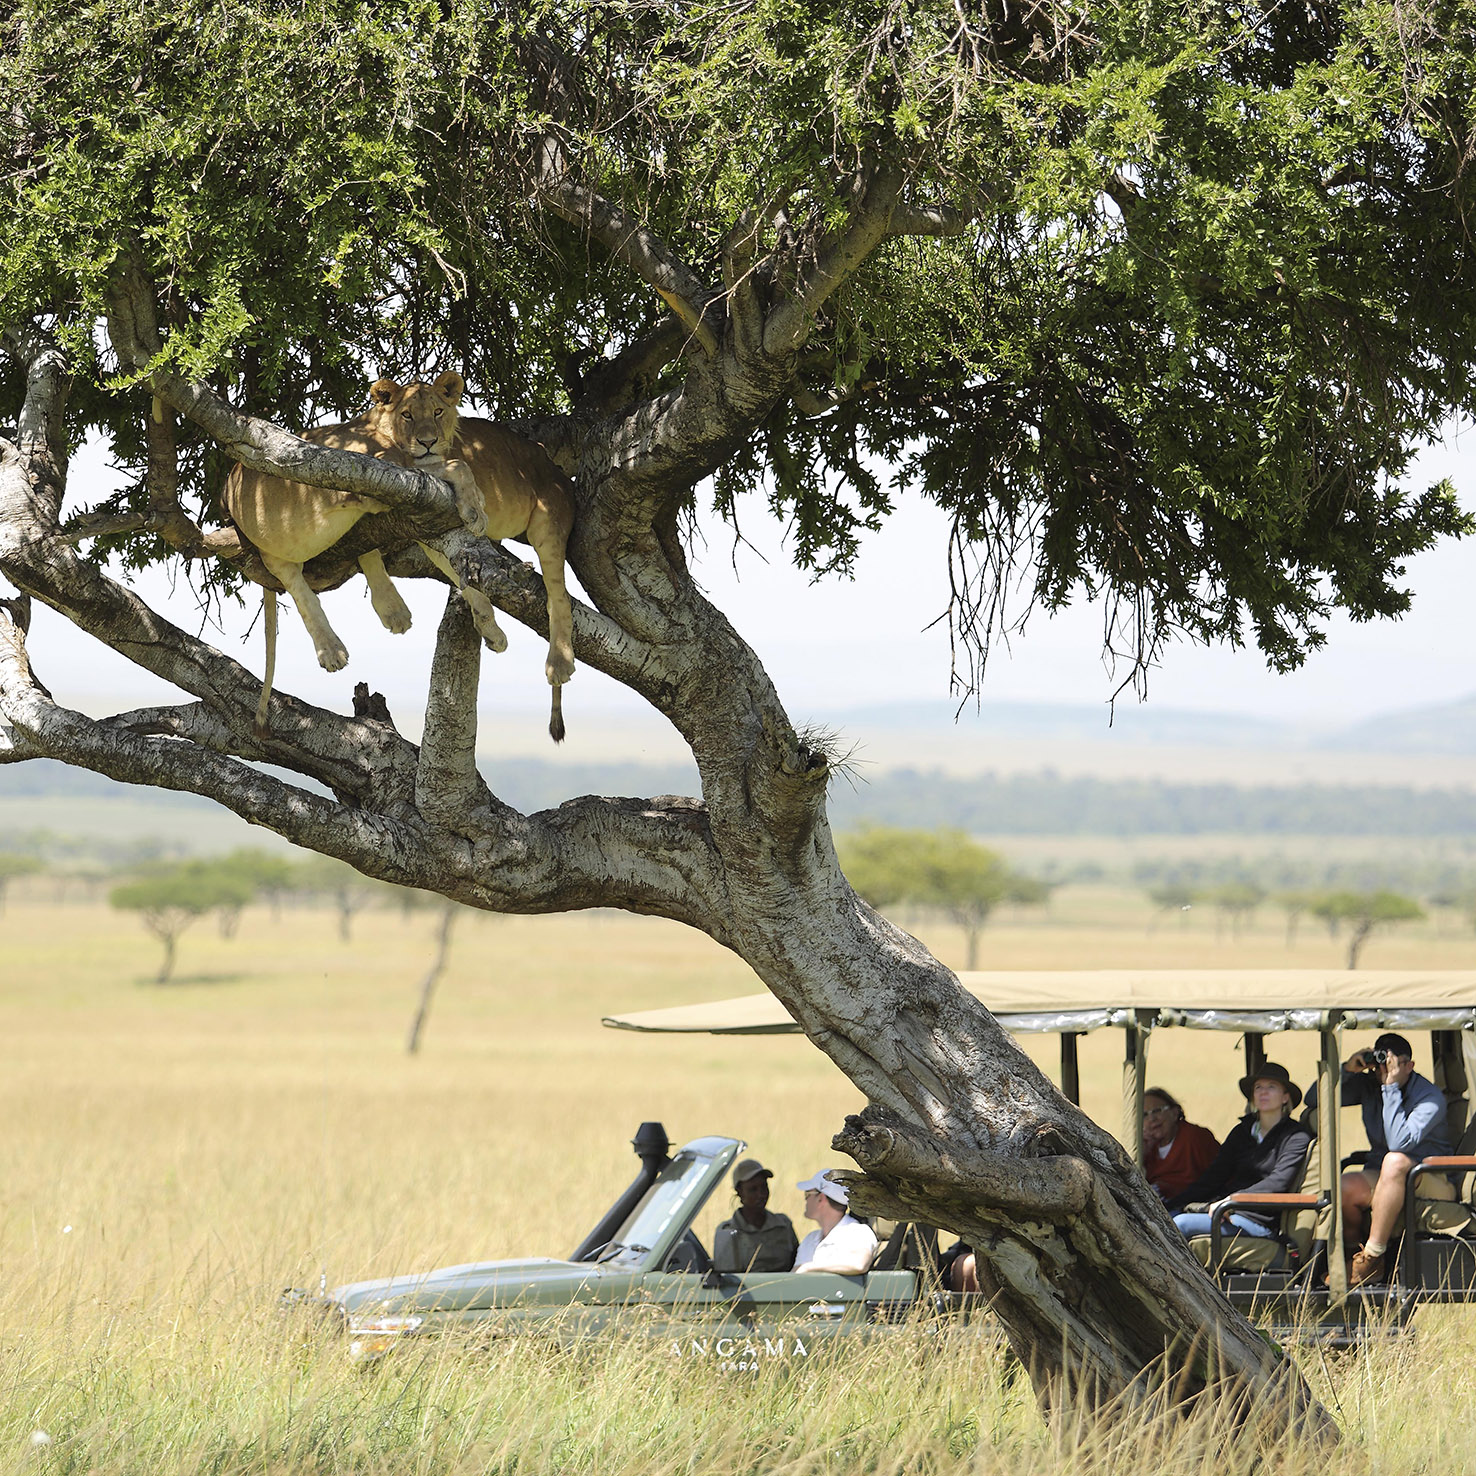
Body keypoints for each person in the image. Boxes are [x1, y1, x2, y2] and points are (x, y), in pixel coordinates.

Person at [1304, 1033, 1454, 1285]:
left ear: (1409, 1066)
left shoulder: (1430, 1097)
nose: (1385, 1068)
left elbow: (1399, 1143)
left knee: (1394, 1160)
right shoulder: (1370, 1085)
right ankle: (1355, 1258)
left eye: (1393, 1062)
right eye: (1381, 1060)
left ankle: (1373, 1256)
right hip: (1388, 1174)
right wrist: (1347, 1069)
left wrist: (1391, 1088)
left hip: (1431, 1177)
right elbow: (1312, 1100)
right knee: (1346, 1187)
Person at [1166, 1063, 1313, 1244]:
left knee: (1179, 1224)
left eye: (1271, 1087)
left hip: (1258, 1220)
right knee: (1166, 1217)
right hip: (1225, 1210)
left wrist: (1233, 1200)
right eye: (1258, 1087)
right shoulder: (1242, 1131)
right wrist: (1169, 1205)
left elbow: (1278, 1181)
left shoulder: (1296, 1136)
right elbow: (1214, 1176)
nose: (1263, 1092)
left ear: (1285, 1098)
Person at [711, 1157, 800, 1272]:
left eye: (764, 1187)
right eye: (753, 1189)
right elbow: (725, 1278)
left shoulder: (783, 1225)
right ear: (740, 1192)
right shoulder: (727, 1232)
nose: (761, 1194)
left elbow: (799, 1266)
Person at [792, 1169, 879, 1274]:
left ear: (820, 1199)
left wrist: (809, 1268)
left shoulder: (857, 1232)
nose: (806, 1200)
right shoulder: (810, 1239)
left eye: (808, 1194)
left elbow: (859, 1264)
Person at [1142, 1087, 1220, 1200]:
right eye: (1145, 1115)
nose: (1152, 1118)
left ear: (1174, 1113)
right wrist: (1143, 1152)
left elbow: (1216, 1177)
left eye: (1157, 1110)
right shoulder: (1145, 1145)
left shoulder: (1194, 1136)